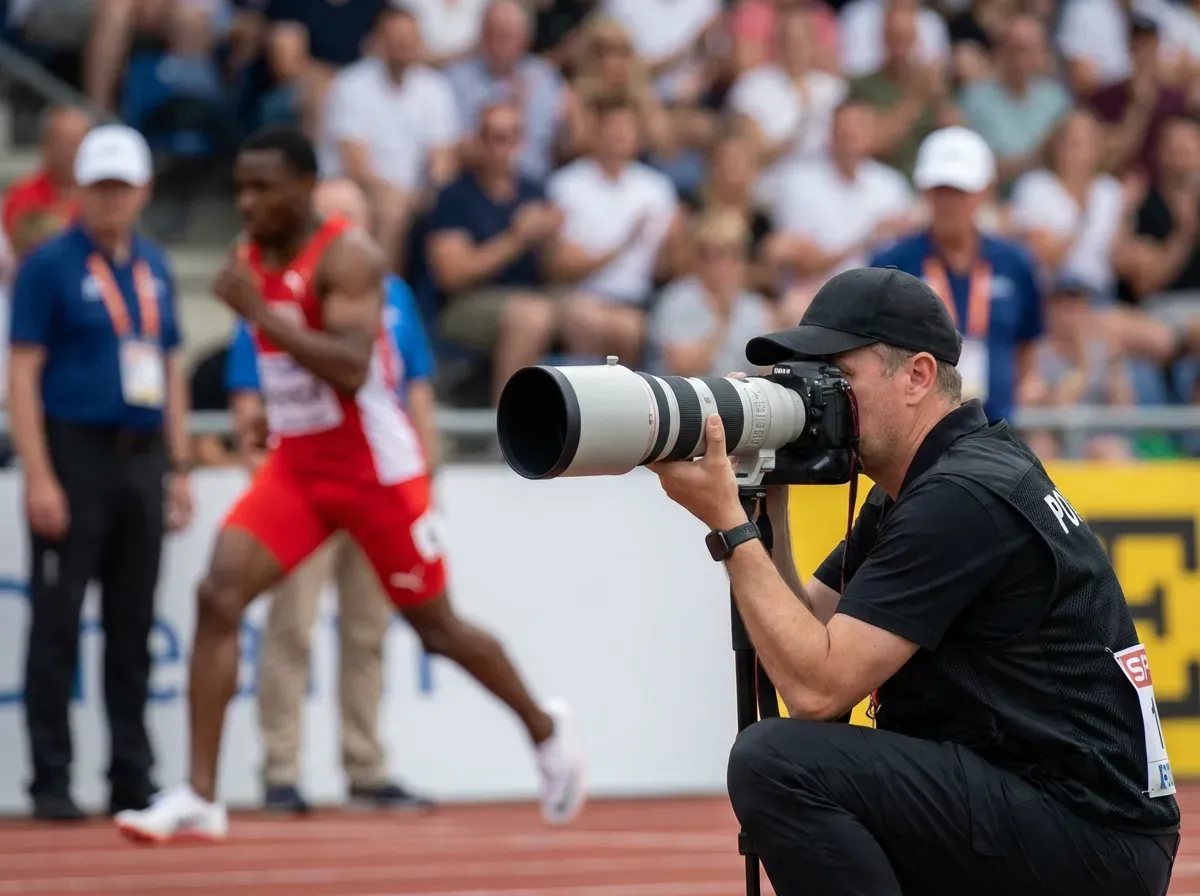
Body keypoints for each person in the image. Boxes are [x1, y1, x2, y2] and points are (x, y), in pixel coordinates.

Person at [113, 126, 585, 843]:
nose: (247, 202)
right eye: (239, 188)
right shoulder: (250, 256)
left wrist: (259, 312)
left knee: (437, 630)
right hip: (300, 466)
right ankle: (201, 794)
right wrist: (269, 415)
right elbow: (284, 365)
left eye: (263, 188)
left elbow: (350, 366)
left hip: (374, 473)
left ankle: (545, 729)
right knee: (218, 596)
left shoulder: (349, 256)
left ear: (304, 189)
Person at [647, 266, 1181, 895]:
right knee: (794, 754)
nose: (815, 398)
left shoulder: (959, 495)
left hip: (1088, 832)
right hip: (1059, 809)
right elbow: (804, 642)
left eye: (836, 375)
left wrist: (730, 528)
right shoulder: (934, 476)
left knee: (777, 762)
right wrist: (768, 511)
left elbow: (818, 690)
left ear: (918, 376)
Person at [228, 177, 437, 813]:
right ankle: (281, 767)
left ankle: (365, 764)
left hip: (377, 477)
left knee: (369, 628)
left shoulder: (393, 292)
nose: (343, 228)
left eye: (353, 217)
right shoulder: (281, 286)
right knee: (292, 623)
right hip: (310, 477)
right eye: (333, 216)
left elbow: (416, 387)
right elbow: (249, 385)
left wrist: (426, 477)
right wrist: (261, 468)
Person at [7, 124, 194, 821]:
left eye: (123, 187)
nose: (112, 199)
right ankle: (51, 778)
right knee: (57, 623)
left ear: (144, 191)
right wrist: (39, 474)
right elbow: (22, 374)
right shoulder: (48, 266)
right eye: (101, 186)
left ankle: (131, 774)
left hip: (141, 456)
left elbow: (170, 366)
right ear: (80, 190)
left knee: (132, 624)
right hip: (74, 453)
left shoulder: (154, 266)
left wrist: (179, 466)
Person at [869, 126, 1044, 425]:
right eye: (940, 190)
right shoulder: (891, 264)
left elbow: (1026, 343)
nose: (949, 203)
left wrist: (1026, 387)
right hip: (917, 431)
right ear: (924, 192)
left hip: (997, 428)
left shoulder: (1015, 263)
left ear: (984, 192)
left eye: (960, 191)